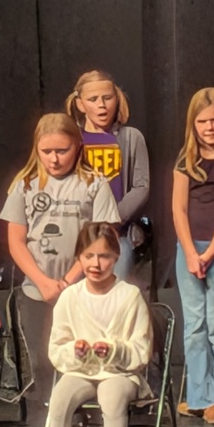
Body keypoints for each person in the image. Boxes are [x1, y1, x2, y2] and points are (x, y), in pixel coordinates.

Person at [0, 113, 120, 427]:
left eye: (62, 151)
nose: (54, 159)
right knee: (41, 364)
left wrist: (68, 281)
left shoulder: (94, 185)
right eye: (47, 151)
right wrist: (42, 279)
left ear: (78, 147)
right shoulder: (24, 184)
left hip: (79, 290)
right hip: (37, 290)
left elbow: (101, 237)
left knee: (75, 362)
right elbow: (16, 240)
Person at [42, 223, 153, 427]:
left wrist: (114, 349)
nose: (95, 264)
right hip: (83, 370)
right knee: (61, 398)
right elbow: (57, 347)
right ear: (79, 257)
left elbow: (141, 350)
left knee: (113, 395)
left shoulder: (129, 296)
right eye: (89, 256)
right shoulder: (70, 297)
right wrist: (74, 351)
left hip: (119, 372)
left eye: (103, 256)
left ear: (116, 257)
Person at [171, 87, 214, 425]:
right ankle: (202, 396)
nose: (209, 127)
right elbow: (178, 209)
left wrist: (211, 252)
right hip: (188, 249)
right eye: (202, 121)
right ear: (192, 124)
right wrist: (189, 251)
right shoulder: (186, 160)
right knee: (194, 325)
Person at [65, 70, 150, 280]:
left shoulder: (132, 137)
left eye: (107, 98)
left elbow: (141, 187)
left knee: (113, 299)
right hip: (75, 235)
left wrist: (110, 220)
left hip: (116, 235)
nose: (101, 105)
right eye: (93, 99)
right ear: (80, 104)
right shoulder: (70, 139)